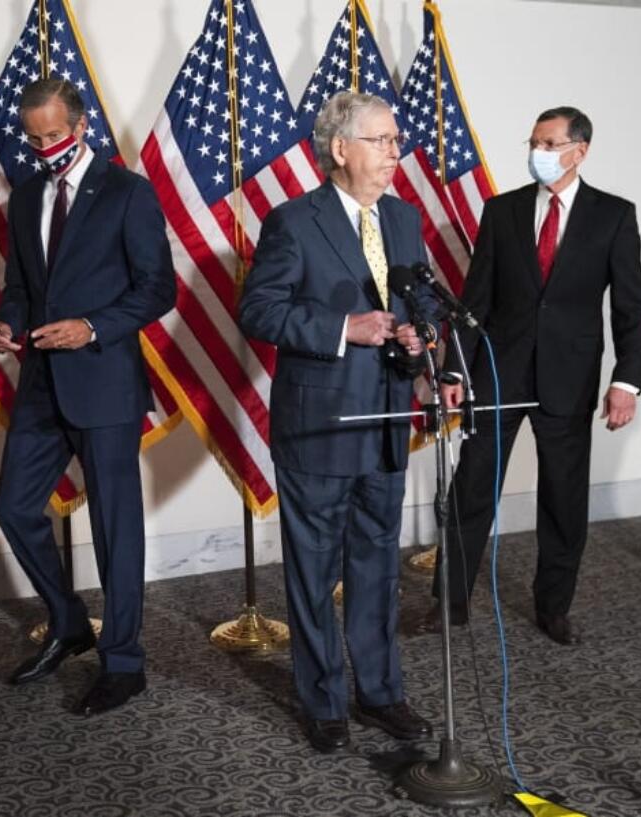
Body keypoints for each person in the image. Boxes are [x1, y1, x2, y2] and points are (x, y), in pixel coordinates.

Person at [239, 92, 434, 753]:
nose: (394, 153)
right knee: (315, 572)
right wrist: (340, 329)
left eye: (396, 141)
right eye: (381, 141)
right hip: (319, 425)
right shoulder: (294, 221)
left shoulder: (404, 219)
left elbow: (421, 301)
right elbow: (259, 312)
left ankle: (380, 693)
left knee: (379, 567)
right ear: (341, 148)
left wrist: (420, 339)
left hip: (386, 421)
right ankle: (322, 700)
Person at [413, 106, 641, 646]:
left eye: (549, 142)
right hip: (500, 371)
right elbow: (475, 300)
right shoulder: (503, 211)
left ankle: (553, 606)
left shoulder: (613, 215)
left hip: (570, 377)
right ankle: (449, 605)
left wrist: (626, 381)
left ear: (579, 151)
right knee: (471, 487)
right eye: (534, 141)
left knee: (563, 499)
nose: (537, 152)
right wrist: (455, 371)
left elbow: (630, 309)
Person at [0, 79, 175, 715]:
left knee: (116, 531)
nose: (44, 148)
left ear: (82, 124)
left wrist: (93, 327)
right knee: (14, 508)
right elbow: (20, 285)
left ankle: (124, 663)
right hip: (40, 382)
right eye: (34, 138)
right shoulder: (26, 195)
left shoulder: (128, 192)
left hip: (105, 381)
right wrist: (7, 321)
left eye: (54, 135)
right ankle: (69, 623)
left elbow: (157, 290)